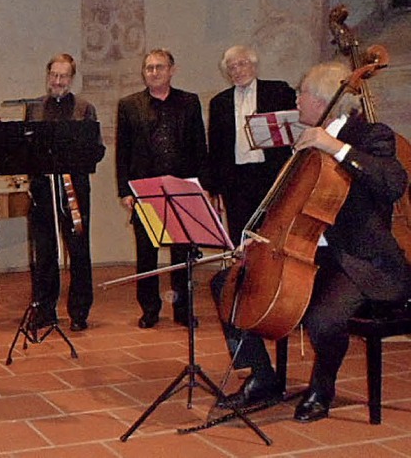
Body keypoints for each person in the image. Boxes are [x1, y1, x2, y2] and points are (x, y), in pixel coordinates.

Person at [212, 61, 411, 423]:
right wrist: (257, 239)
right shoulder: (305, 140)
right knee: (228, 283)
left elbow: (393, 183)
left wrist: (335, 148)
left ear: (321, 100)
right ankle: (261, 377)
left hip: (356, 259)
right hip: (305, 253)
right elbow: (288, 205)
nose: (297, 100)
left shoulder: (369, 135)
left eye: (301, 93)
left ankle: (322, 389)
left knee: (322, 317)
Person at [116, 48, 209, 329]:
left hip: (181, 188)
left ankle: (182, 309)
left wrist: (202, 187)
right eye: (149, 68)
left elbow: (199, 147)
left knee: (182, 255)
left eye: (159, 67)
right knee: (147, 253)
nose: (153, 72)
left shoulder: (189, 102)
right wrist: (125, 191)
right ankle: (150, 309)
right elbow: (123, 152)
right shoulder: (129, 105)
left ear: (172, 70)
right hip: (145, 189)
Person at [25, 53, 105, 332]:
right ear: (48, 77)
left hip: (75, 190)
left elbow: (97, 149)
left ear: (72, 79)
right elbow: (27, 148)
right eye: (54, 76)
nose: (58, 81)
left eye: (64, 76)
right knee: (44, 252)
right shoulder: (35, 108)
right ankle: (45, 309)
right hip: (43, 191)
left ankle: (79, 311)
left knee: (78, 251)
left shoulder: (85, 109)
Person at [205, 45, 296, 245]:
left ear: (254, 66)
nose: (237, 70)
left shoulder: (278, 91)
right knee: (241, 236)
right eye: (231, 67)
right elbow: (216, 149)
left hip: (271, 175)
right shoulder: (219, 102)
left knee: (272, 232)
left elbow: (295, 128)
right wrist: (215, 190)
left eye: (242, 64)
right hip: (235, 181)